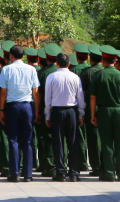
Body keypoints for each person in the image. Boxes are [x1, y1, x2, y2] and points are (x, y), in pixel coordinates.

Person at [0, 44, 40, 182]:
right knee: (27, 141)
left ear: (11, 56)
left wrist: (2, 109)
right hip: (27, 106)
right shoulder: (32, 69)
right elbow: (36, 92)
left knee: (13, 140)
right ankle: (28, 174)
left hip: (12, 107)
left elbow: (3, 92)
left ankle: (14, 173)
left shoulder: (6, 70)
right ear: (24, 56)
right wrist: (37, 110)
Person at [90, 46, 120, 182]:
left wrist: (93, 114)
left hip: (104, 111)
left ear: (103, 61)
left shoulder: (98, 75)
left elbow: (92, 97)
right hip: (119, 111)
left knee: (106, 143)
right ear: (115, 60)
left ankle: (109, 173)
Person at [44, 52, 84, 182]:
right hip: (72, 111)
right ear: (69, 64)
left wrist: (47, 114)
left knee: (58, 142)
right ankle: (74, 173)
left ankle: (60, 172)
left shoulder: (51, 77)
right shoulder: (75, 77)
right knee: (73, 142)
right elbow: (80, 97)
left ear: (56, 63)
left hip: (57, 112)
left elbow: (47, 98)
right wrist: (81, 113)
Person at [35, 44, 61, 178]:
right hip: (60, 109)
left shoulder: (42, 73)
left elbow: (38, 94)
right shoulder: (60, 72)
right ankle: (61, 165)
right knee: (61, 139)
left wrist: (37, 112)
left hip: (44, 109)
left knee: (45, 139)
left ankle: (47, 166)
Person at [80, 44, 103, 177]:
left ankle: (95, 166)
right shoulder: (105, 70)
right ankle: (106, 164)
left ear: (90, 58)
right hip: (105, 107)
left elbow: (83, 95)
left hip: (91, 108)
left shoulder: (86, 72)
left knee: (93, 139)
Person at [71, 43, 90, 173]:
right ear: (88, 57)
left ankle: (82, 162)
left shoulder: (74, 71)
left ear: (77, 57)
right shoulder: (92, 70)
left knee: (79, 136)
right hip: (92, 107)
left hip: (77, 108)